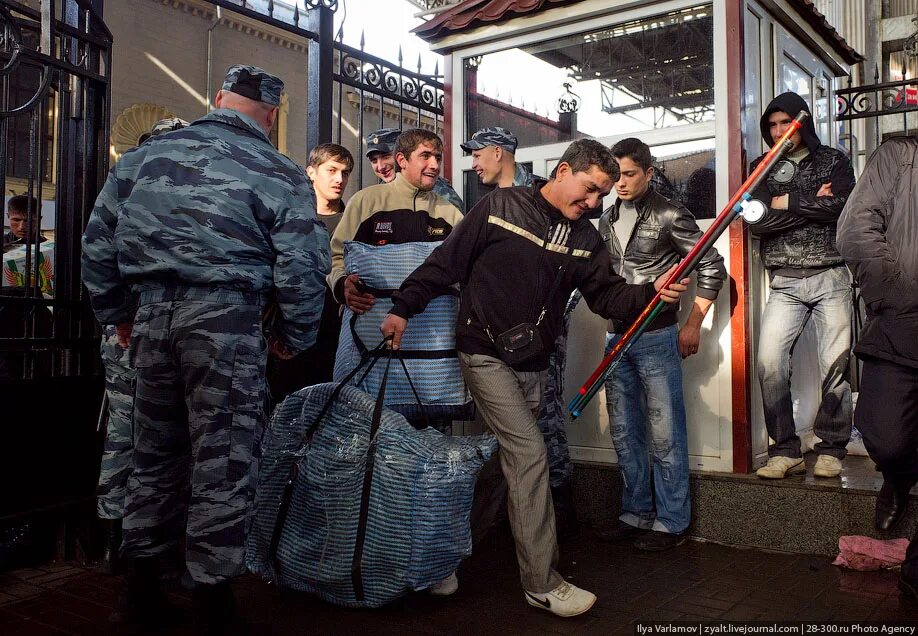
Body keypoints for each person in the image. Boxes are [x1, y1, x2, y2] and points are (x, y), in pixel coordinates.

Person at [380, 139, 690, 618]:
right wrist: (403, 308)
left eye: (601, 196)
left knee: (498, 467)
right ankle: (543, 583)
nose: (593, 204)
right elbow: (447, 263)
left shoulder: (586, 238)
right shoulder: (500, 206)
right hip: (481, 351)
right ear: (562, 170)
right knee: (529, 453)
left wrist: (653, 292)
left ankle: (437, 558)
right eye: (588, 190)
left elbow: (609, 299)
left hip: (534, 363)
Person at [81, 64, 329, 632]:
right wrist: (293, 335)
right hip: (226, 324)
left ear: (217, 99)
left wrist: (117, 315)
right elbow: (302, 266)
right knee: (223, 460)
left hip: (150, 320)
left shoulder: (145, 159)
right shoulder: (278, 170)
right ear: (270, 115)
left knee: (154, 456)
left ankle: (139, 592)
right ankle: (214, 603)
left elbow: (97, 242)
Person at [596, 138, 726, 551]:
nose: (621, 182)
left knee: (665, 432)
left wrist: (692, 323)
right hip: (616, 336)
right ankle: (636, 513)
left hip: (656, 336)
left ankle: (672, 522)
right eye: (615, 174)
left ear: (649, 173)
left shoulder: (670, 213)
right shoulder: (604, 219)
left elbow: (711, 266)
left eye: (630, 173)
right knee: (624, 432)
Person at [462, 126, 579, 539]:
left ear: (499, 151)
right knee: (508, 426)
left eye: (477, 154)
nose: (473, 163)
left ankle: (558, 508)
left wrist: (549, 325)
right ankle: (507, 515)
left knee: (543, 416)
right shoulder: (487, 202)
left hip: (538, 336)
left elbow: (568, 268)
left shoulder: (541, 195)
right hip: (495, 336)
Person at [95, 117, 190, 574]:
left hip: (133, 325)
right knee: (158, 437)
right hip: (152, 325)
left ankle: (120, 541)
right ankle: (140, 544)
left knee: (129, 433)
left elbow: (98, 252)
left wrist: (116, 316)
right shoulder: (186, 189)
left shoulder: (125, 182)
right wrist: (119, 318)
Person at [749, 91, 856, 480]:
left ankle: (831, 448)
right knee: (769, 364)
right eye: (772, 125)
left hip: (831, 273)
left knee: (836, 366)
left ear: (803, 122)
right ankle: (785, 450)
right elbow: (755, 222)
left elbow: (844, 208)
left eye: (786, 123)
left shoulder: (833, 159)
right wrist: (812, 203)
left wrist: (785, 202)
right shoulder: (760, 166)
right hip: (784, 279)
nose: (779, 131)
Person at [836, 136, 918, 602]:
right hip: (902, 322)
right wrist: (897, 297)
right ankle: (899, 475)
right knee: (883, 434)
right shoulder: (898, 155)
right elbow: (856, 229)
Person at [266, 143, 353, 403]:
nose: (339, 179)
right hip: (289, 335)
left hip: (336, 336)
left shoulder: (353, 224)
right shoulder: (288, 222)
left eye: (346, 172)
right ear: (311, 172)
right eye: (332, 170)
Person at [364, 126, 464, 211]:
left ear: (402, 157)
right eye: (374, 161)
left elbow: (458, 229)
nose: (381, 167)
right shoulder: (378, 193)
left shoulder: (436, 189)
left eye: (386, 157)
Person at [461, 126, 536, 188]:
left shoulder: (542, 192)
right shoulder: (490, 201)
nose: (473, 165)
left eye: (477, 156)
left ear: (497, 153)